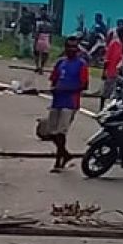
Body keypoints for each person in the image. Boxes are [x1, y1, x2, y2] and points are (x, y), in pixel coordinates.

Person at [47, 36, 89, 172]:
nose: (71, 49)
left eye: (74, 47)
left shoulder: (81, 64)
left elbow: (84, 85)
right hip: (57, 100)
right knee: (51, 132)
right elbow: (54, 79)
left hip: (70, 102)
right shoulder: (60, 63)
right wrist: (53, 89)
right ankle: (65, 154)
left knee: (61, 132)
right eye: (69, 46)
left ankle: (59, 160)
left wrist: (66, 89)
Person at [100, 25, 123, 110]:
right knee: (106, 91)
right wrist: (104, 71)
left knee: (117, 92)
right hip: (111, 71)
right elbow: (107, 58)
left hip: (119, 73)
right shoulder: (114, 43)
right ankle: (101, 107)